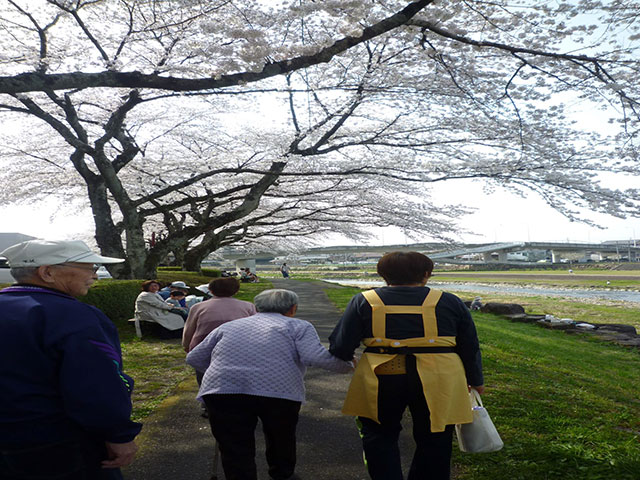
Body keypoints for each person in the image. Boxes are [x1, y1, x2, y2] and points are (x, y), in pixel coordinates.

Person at [329, 251, 484, 480]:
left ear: (383, 275)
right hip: (440, 375)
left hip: (381, 374)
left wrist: (346, 357)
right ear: (426, 274)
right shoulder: (448, 301)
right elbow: (469, 345)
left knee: (379, 433)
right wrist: (476, 380)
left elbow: (341, 346)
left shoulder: (364, 300)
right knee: (436, 434)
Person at [0, 239, 142, 480]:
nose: (95, 276)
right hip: (57, 443)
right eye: (89, 268)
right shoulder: (73, 316)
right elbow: (97, 384)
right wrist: (119, 434)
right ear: (47, 272)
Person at [186, 289, 354, 480]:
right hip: (278, 390)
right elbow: (314, 356)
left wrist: (220, 369)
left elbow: (194, 358)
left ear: (256, 308)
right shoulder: (297, 326)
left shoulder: (228, 327)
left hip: (222, 390)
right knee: (281, 437)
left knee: (233, 444)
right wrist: (348, 365)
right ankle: (282, 474)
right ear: (293, 308)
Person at [182, 277, 256, 353]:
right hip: (238, 345)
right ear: (236, 291)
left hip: (204, 346)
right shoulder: (248, 306)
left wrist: (186, 345)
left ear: (210, 290)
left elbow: (189, 329)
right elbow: (255, 328)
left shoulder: (197, 307)